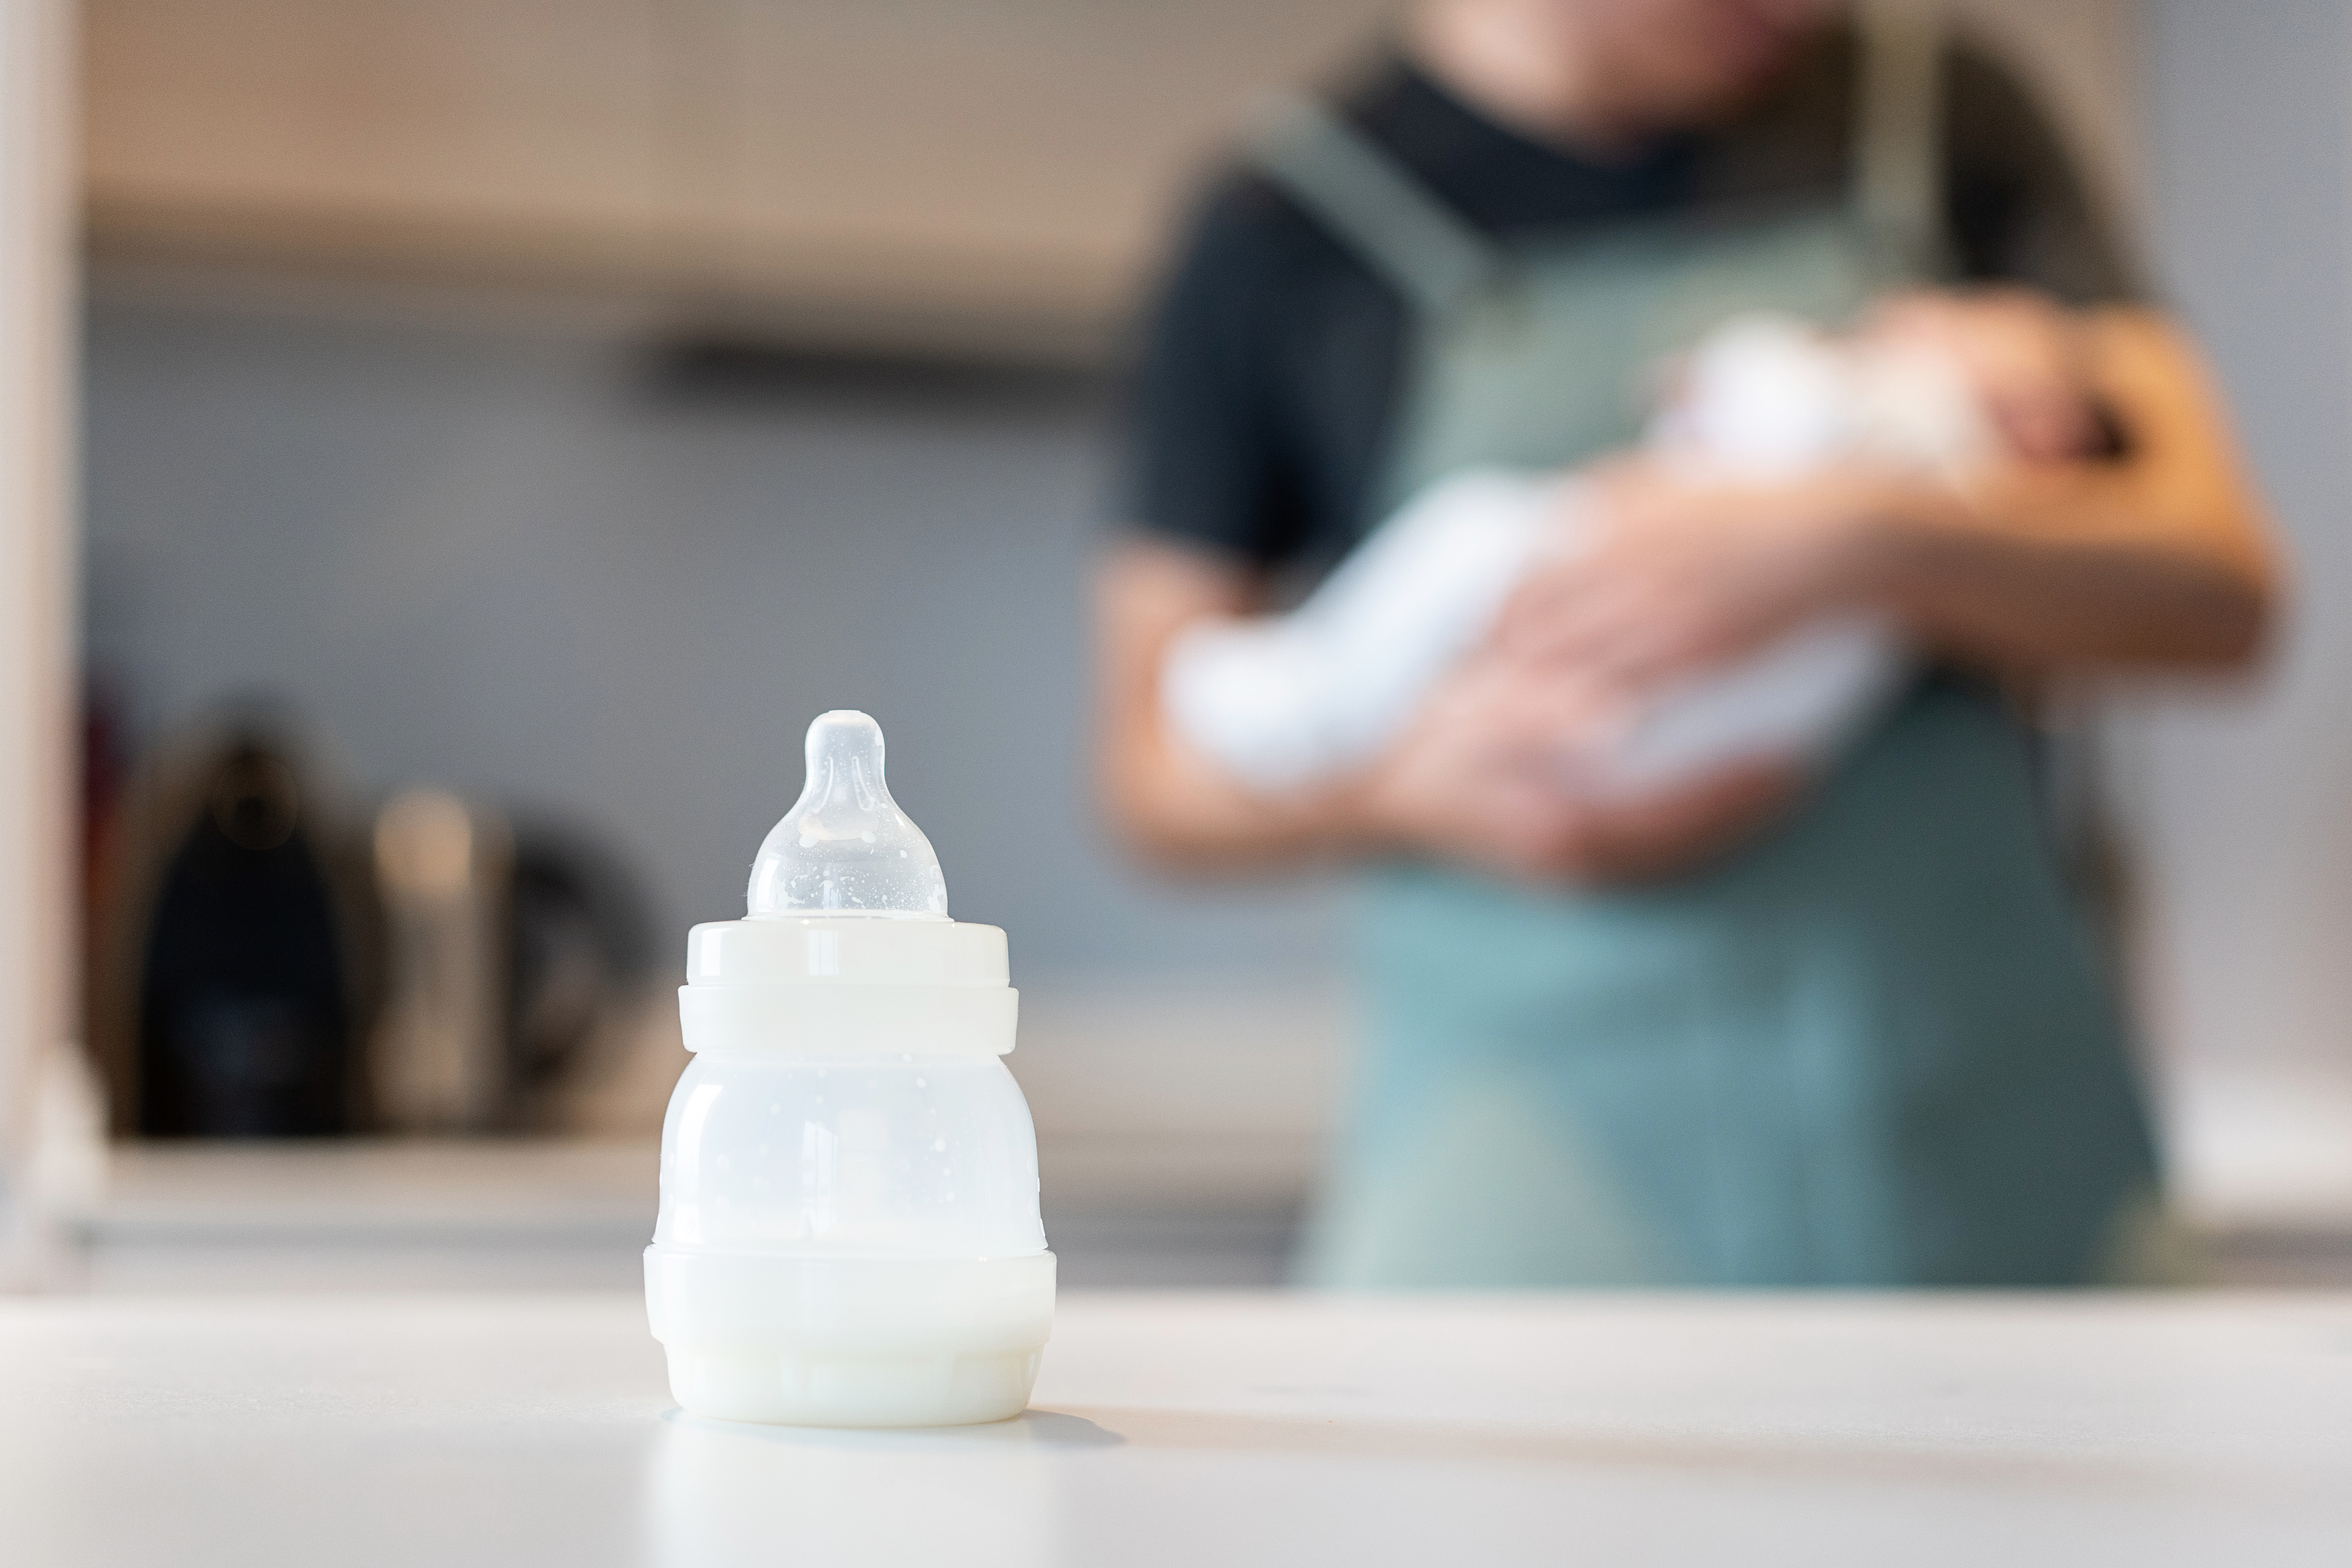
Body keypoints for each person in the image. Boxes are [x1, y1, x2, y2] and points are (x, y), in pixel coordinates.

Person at [1095, 0, 2277, 1288]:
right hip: (1523, 1210)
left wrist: (1846, 546)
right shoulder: (1281, 228)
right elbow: (1154, 767)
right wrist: (1410, 786)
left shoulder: (1937, 120)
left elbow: (2219, 588)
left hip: (1987, 1155)